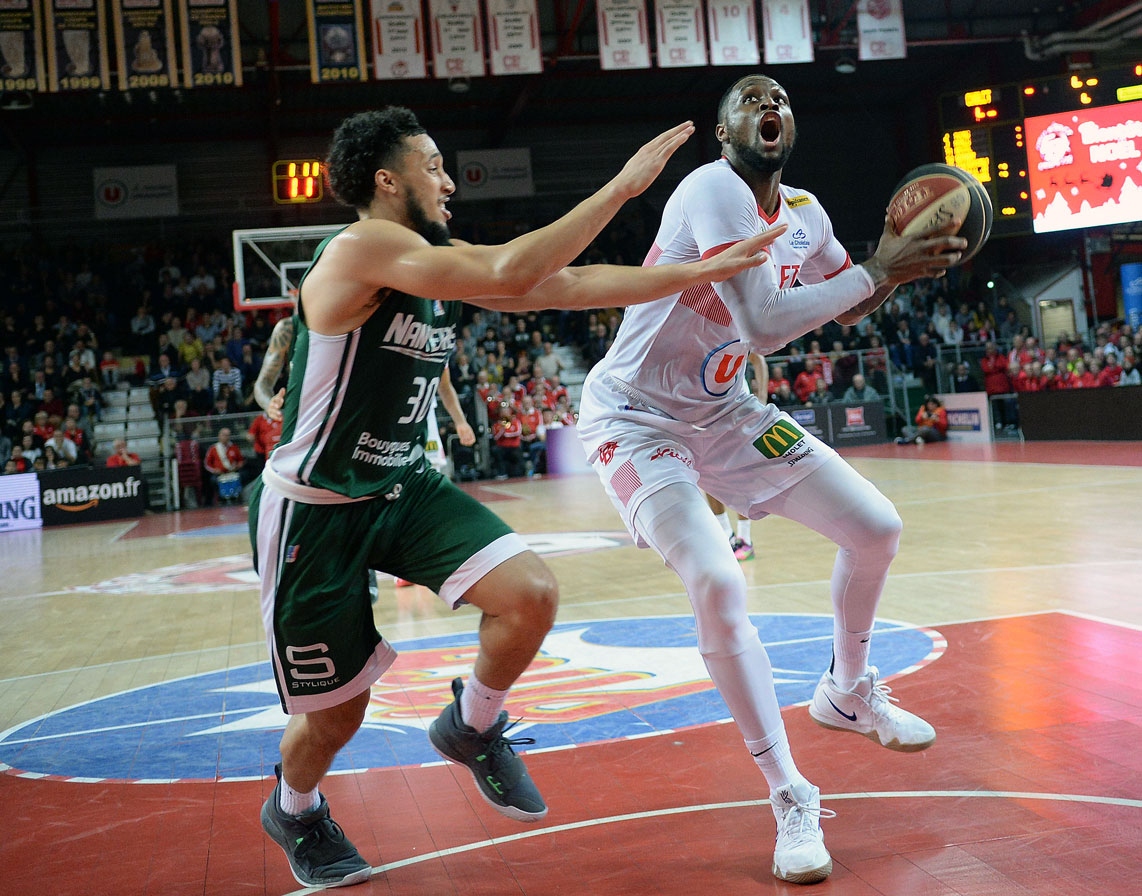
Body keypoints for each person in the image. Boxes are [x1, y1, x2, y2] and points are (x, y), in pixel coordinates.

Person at [247, 106, 779, 890]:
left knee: (530, 594)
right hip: (315, 509)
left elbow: (557, 286)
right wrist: (623, 190)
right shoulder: (363, 247)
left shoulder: (431, 257)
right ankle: (295, 809)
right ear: (387, 181)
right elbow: (512, 274)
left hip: (400, 486)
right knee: (336, 717)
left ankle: (471, 726)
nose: (449, 178)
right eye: (432, 165)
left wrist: (694, 274)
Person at [575, 74, 964, 885]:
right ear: (726, 131)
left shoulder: (808, 214)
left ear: (793, 125)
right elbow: (762, 323)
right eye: (750, 99)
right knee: (718, 579)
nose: (769, 106)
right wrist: (876, 269)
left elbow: (848, 302)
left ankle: (848, 691)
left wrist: (899, 269)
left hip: (727, 411)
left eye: (780, 97)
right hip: (637, 420)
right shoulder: (711, 188)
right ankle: (789, 792)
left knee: (877, 527)